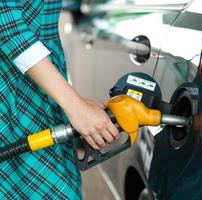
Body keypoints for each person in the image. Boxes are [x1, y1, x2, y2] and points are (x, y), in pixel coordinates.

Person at [0, 0, 119, 199]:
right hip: (11, 86)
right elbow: (6, 23)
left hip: (40, 85)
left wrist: (72, 101)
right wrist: (75, 105)